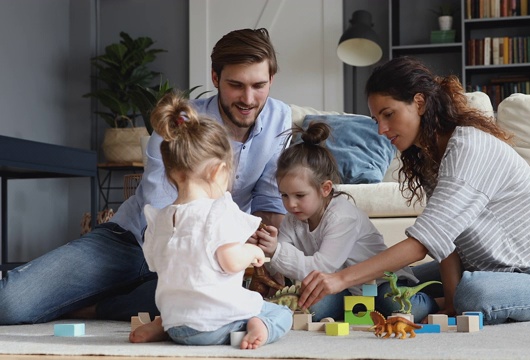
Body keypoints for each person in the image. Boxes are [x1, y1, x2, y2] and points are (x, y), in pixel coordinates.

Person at [0, 28, 290, 325]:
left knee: (210, 309)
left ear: (271, 80)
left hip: (208, 255)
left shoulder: (280, 118)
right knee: (10, 304)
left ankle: (100, 306)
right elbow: (164, 212)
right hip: (134, 240)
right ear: (215, 79)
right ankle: (122, 293)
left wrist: (262, 258)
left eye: (259, 85)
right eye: (236, 85)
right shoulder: (180, 123)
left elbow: (269, 202)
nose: (248, 98)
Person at [297, 56, 530, 325]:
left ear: (419, 102)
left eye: (388, 114)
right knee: (395, 285)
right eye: (376, 120)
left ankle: (465, 296)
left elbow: (424, 243)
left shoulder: (468, 148)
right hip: (479, 268)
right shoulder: (431, 155)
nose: (382, 129)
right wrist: (452, 306)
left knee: (473, 295)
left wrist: (341, 277)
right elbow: (446, 245)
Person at [128, 93, 291, 348]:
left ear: (171, 173)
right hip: (212, 325)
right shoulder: (218, 212)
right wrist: (251, 251)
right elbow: (230, 261)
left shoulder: (160, 218)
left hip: (177, 322)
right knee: (279, 312)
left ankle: (162, 325)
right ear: (218, 171)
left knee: (184, 296)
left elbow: (158, 265)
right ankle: (261, 326)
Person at [253, 121, 439, 322]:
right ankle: (351, 310)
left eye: (299, 195)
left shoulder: (342, 216)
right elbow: (281, 259)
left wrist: (277, 251)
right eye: (284, 195)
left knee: (396, 306)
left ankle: (437, 300)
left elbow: (321, 267)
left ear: (325, 188)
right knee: (311, 308)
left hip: (379, 282)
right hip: (343, 289)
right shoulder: (293, 220)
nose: (291, 204)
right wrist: (266, 247)